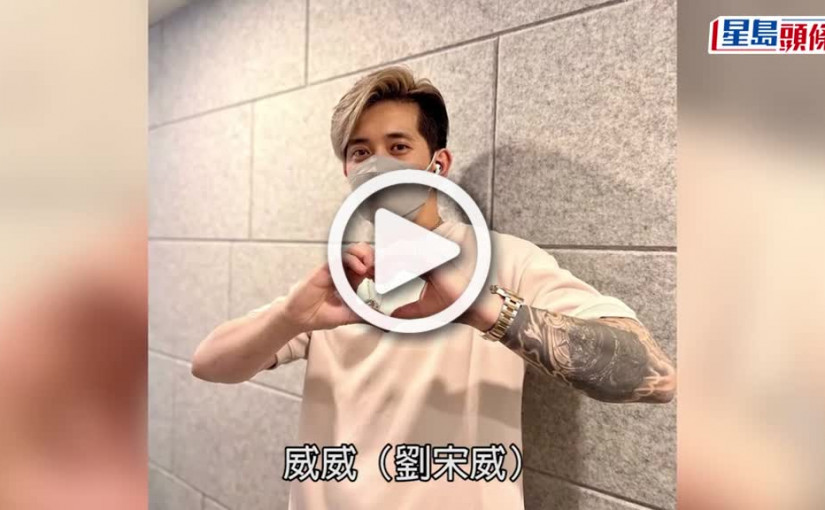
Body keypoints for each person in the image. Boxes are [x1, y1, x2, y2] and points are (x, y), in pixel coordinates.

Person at [191, 66, 676, 509]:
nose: (376, 164)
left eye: (398, 147)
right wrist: (289, 319)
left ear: (438, 164)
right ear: (347, 171)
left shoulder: (505, 259)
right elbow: (209, 364)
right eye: (360, 152)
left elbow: (654, 376)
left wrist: (482, 309)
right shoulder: (342, 278)